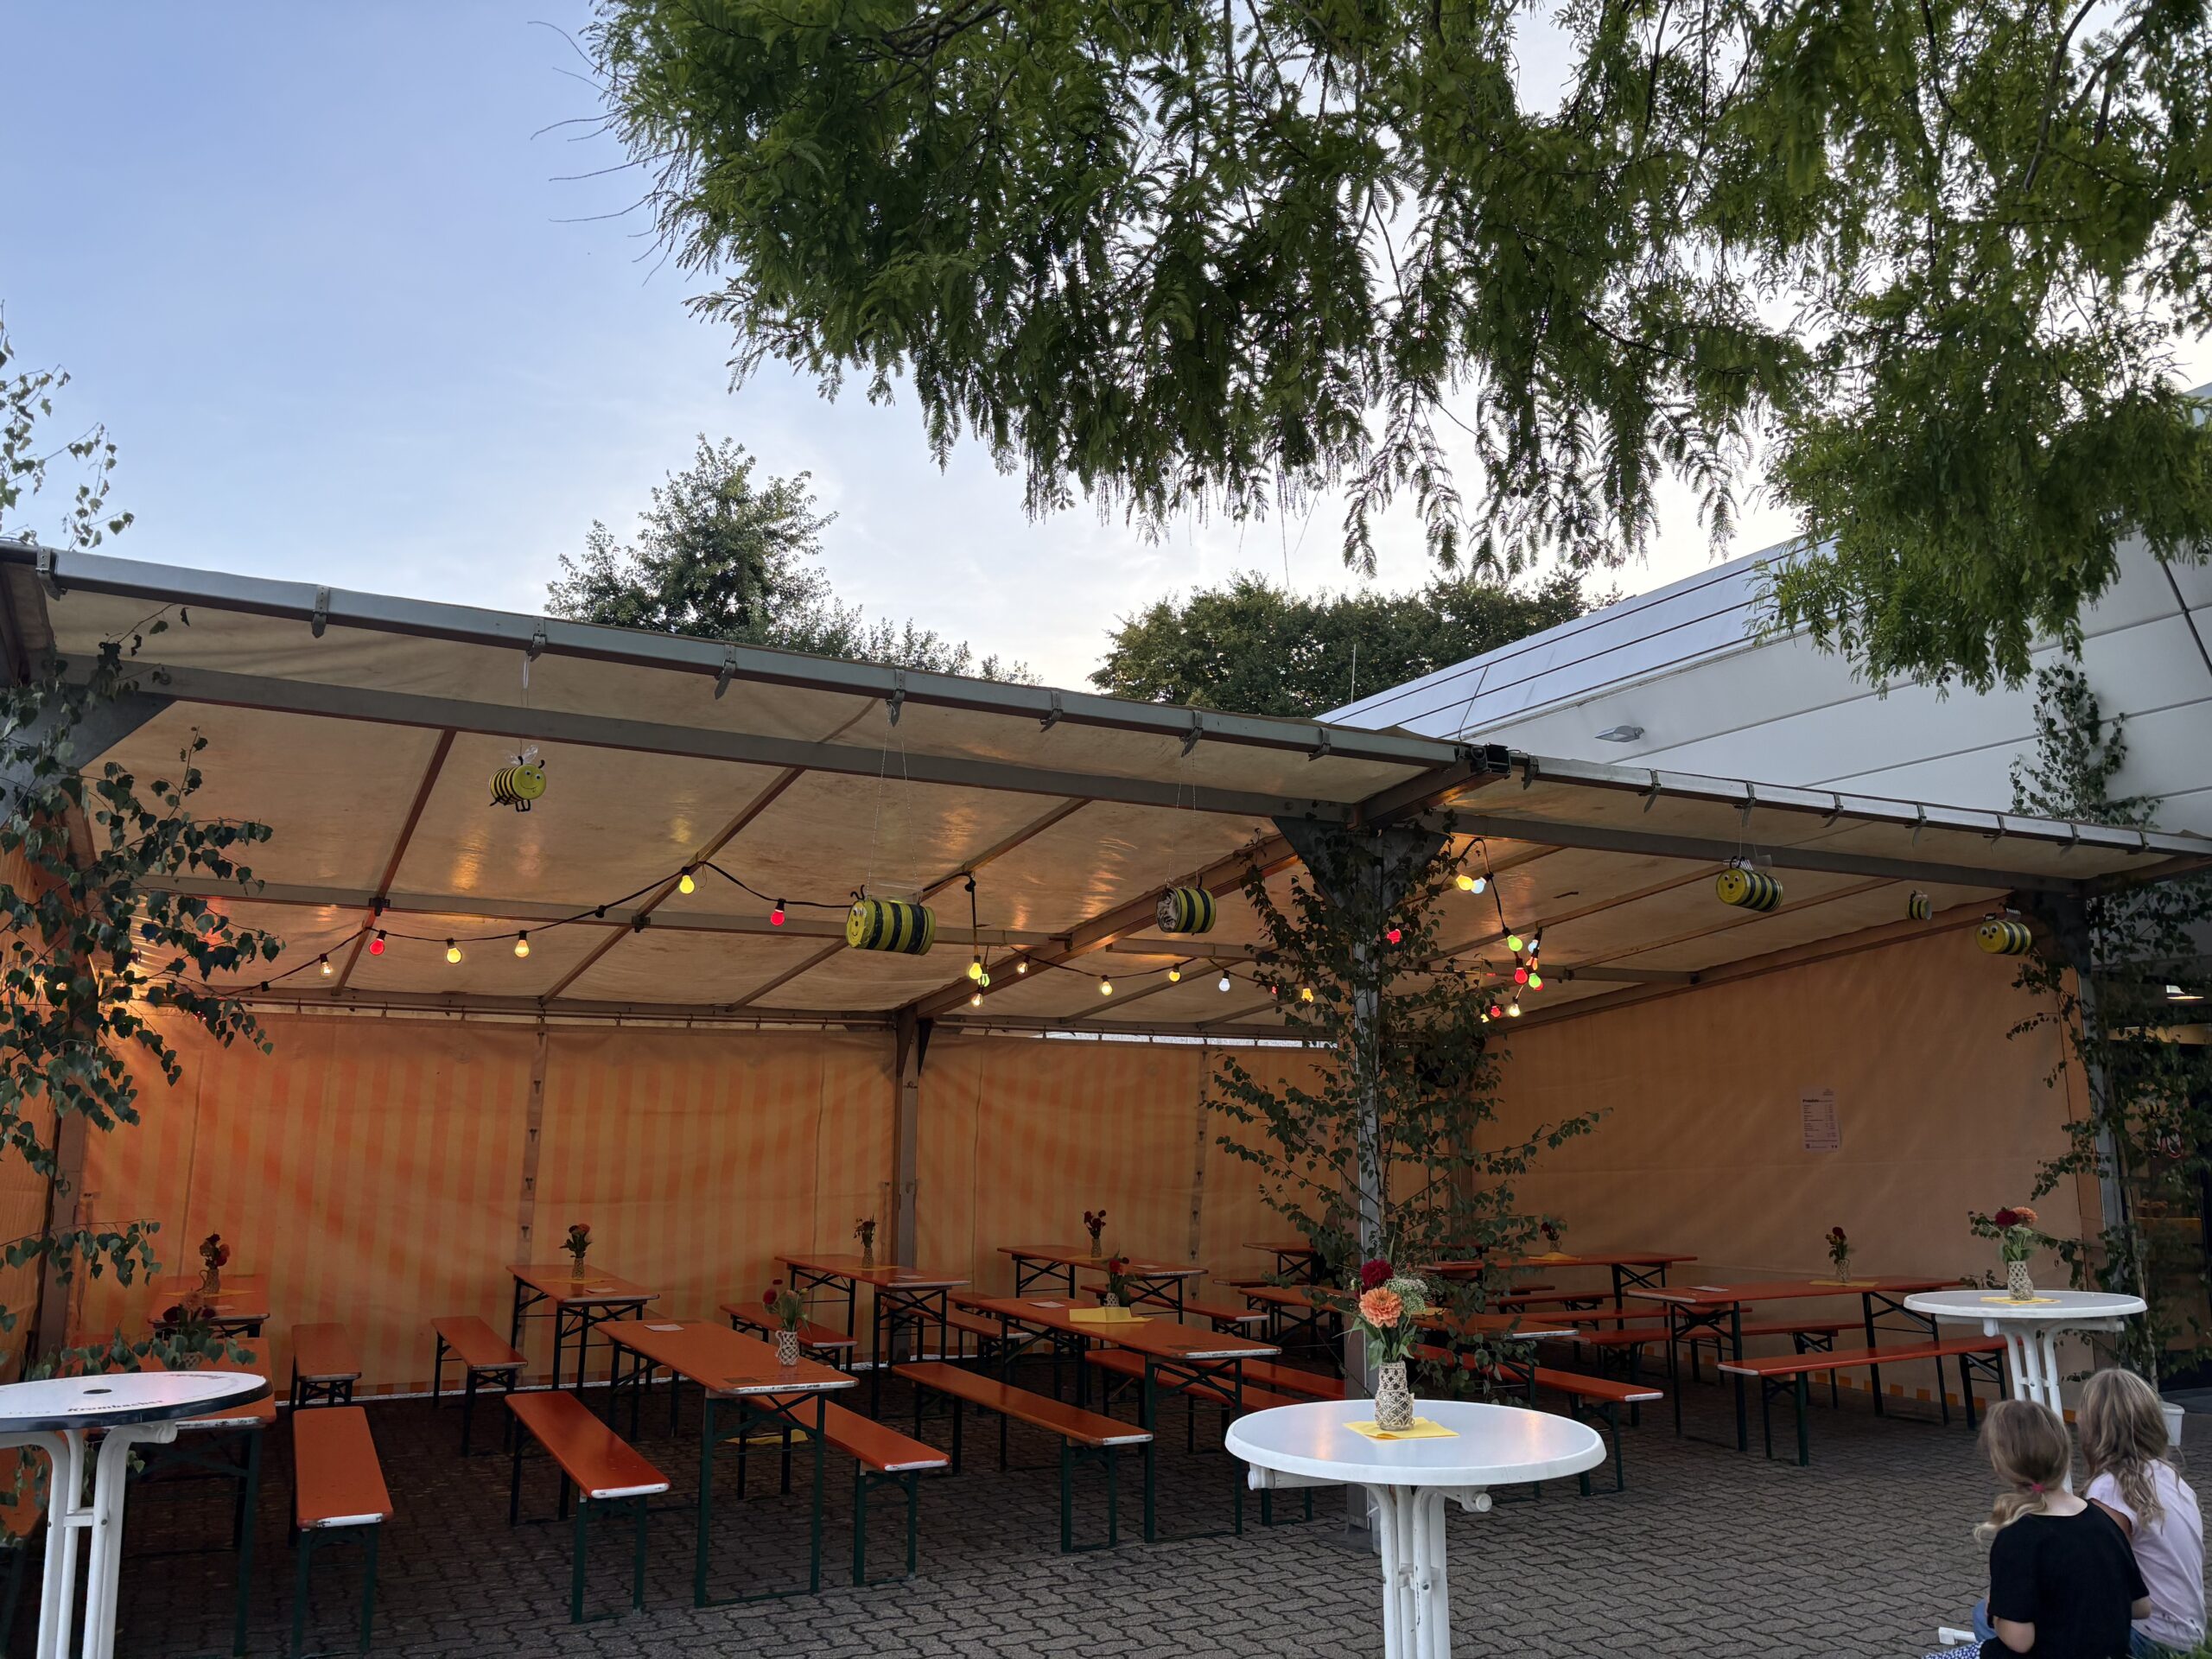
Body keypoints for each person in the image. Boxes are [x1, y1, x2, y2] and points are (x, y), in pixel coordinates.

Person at [1969, 1398, 2149, 1657]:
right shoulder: (2101, 1519)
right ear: (2064, 1455)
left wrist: (1995, 1612)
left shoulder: (2018, 1537)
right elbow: (2141, 1606)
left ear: (2000, 1465)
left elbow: (2020, 1641)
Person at [2079, 1370, 2206, 1657]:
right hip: (2189, 1630)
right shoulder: (2169, 1476)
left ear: (2094, 1427)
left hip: (2151, 1636)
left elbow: (2104, 1581)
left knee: (1993, 1620)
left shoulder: (2108, 1490)